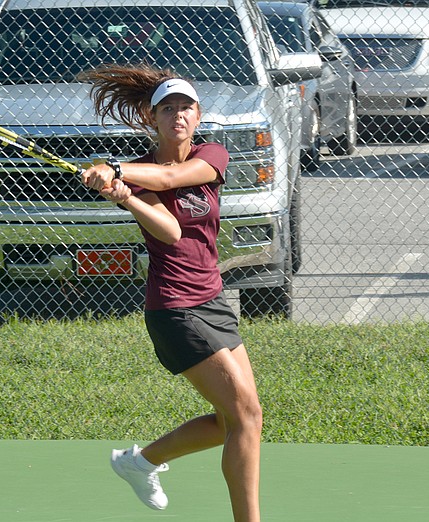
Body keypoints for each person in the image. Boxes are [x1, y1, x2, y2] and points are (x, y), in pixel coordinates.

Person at [77, 64, 263, 522]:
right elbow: (171, 230)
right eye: (168, 108)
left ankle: (138, 463)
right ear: (152, 119)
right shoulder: (140, 177)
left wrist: (117, 170)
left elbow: (172, 178)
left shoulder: (212, 155)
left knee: (237, 420)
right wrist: (126, 196)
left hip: (212, 299)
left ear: (198, 117)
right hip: (175, 308)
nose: (178, 115)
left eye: (186, 107)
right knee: (244, 417)